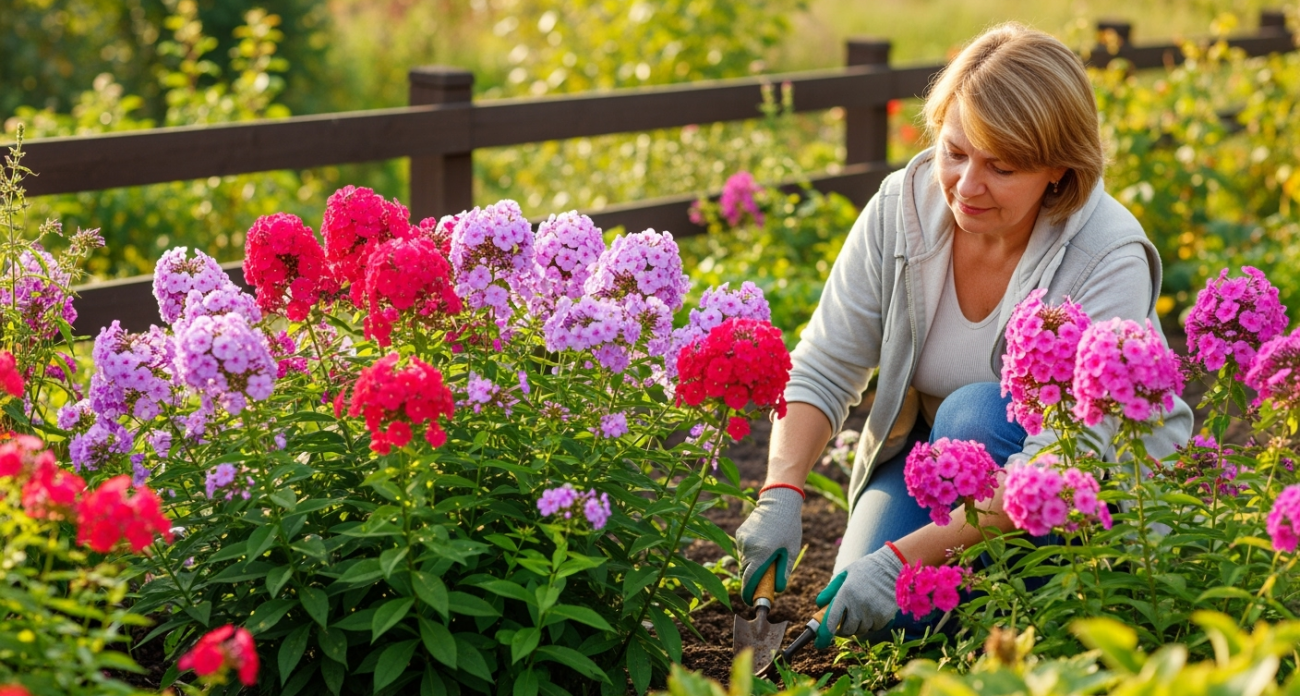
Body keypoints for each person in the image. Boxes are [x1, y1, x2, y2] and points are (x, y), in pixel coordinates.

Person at [734, 22, 1193, 648]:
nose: (967, 186)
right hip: (943, 466)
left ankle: (1062, 604)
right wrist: (782, 490)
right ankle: (995, 604)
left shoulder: (1107, 256)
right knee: (870, 612)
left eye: (1001, 167)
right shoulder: (901, 209)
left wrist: (903, 559)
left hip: (1088, 495)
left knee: (973, 413)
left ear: (1058, 170)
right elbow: (825, 363)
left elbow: (1068, 457)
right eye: (955, 151)